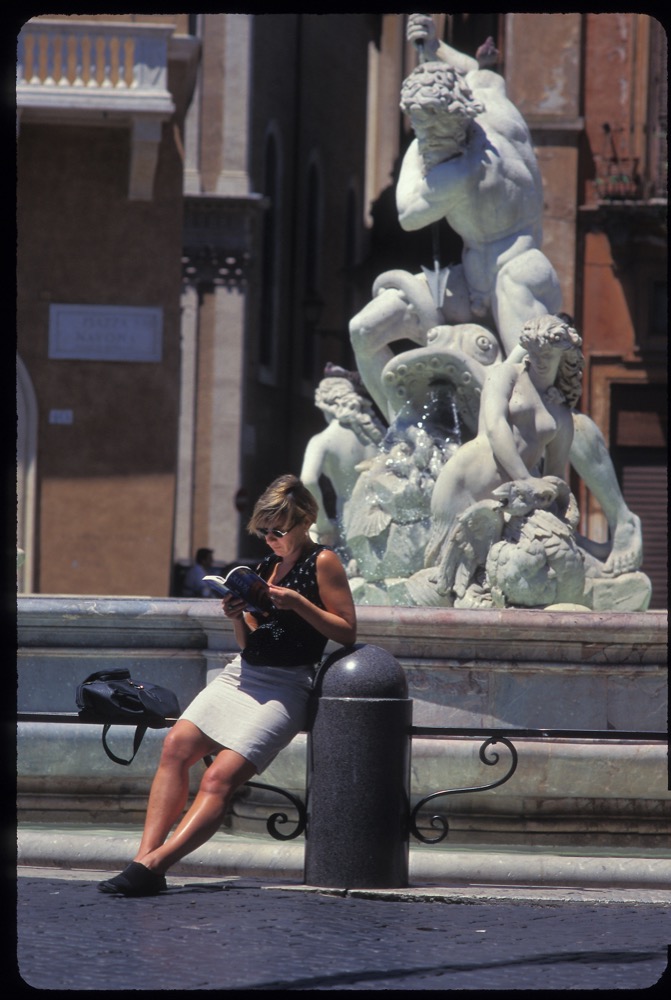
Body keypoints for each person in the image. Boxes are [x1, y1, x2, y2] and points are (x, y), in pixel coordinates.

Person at [98, 474, 357, 897]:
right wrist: (238, 616)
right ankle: (144, 859)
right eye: (265, 531)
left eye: (279, 530)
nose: (271, 539)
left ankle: (157, 865)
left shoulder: (323, 562)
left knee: (219, 778)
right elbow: (251, 641)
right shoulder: (263, 568)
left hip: (287, 685)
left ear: (305, 520)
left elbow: (346, 631)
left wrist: (298, 603)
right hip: (243, 674)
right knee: (175, 747)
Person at [425, 314, 584, 572]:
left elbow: (554, 475)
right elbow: (495, 426)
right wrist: (525, 479)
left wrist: (555, 514)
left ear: (563, 357)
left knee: (496, 575)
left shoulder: (561, 413)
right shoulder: (505, 375)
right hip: (465, 482)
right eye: (536, 353)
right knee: (442, 572)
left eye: (549, 355)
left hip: (512, 499)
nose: (541, 361)